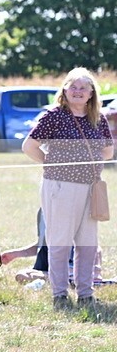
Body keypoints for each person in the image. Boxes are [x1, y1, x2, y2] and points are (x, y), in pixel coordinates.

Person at [22, 67, 114, 309]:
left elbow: (107, 150)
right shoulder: (54, 115)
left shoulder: (99, 118)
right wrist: (52, 165)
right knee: (60, 241)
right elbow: (29, 146)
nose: (78, 91)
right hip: (60, 186)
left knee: (88, 242)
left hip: (90, 188)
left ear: (92, 92)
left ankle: (86, 293)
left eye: (83, 87)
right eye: (73, 86)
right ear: (64, 89)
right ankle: (60, 294)